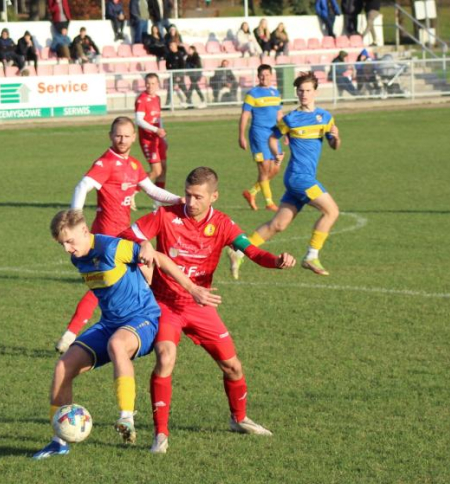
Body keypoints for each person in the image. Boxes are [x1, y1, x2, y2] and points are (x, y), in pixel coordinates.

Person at [119, 166, 297, 454]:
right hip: (166, 304)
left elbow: (253, 252)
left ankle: (238, 419)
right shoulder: (166, 215)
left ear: (214, 196)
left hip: (201, 305)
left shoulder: (224, 225)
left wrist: (276, 261)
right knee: (166, 357)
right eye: (188, 195)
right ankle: (160, 435)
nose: (190, 202)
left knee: (233, 366)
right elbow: (125, 234)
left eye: (198, 197)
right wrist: (143, 244)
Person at [34, 209, 219, 459]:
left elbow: (158, 257)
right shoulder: (78, 258)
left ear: (84, 231)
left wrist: (191, 288)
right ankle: (58, 442)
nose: (67, 248)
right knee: (62, 367)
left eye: (70, 241)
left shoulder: (111, 248)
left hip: (143, 319)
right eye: (62, 244)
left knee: (117, 344)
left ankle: (126, 417)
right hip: (110, 322)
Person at [56, 117, 183, 356]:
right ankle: (75, 333)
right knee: (107, 284)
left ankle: (143, 325)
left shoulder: (133, 165)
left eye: (126, 136)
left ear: (134, 137)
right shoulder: (106, 162)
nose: (122, 140)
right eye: (118, 135)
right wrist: (75, 220)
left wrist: (180, 200)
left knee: (133, 278)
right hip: (105, 236)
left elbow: (152, 191)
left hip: (124, 234)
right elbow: (81, 186)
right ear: (110, 136)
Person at [229, 72, 341, 278]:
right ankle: (311, 256)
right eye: (300, 91)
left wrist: (335, 137)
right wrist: (277, 153)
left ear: (315, 92)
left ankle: (238, 250)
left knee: (278, 225)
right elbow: (273, 137)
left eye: (307, 90)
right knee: (332, 211)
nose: (304, 94)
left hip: (298, 179)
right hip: (300, 178)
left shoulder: (325, 117)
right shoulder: (291, 118)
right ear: (297, 93)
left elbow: (334, 144)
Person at [238, 64, 284, 213]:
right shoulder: (253, 94)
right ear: (258, 77)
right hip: (258, 134)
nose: (264, 78)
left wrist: (286, 133)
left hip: (274, 135)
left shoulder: (275, 93)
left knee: (275, 168)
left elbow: (279, 116)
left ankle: (252, 193)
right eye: (262, 75)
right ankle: (269, 202)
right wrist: (241, 135)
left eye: (267, 75)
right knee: (264, 168)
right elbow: (245, 115)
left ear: (271, 76)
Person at [135, 74, 170, 207]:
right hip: (148, 140)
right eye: (148, 83)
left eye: (153, 83)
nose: (150, 86)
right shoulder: (141, 99)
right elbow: (138, 120)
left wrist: (163, 137)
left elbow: (159, 119)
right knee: (156, 171)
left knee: (164, 169)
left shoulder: (157, 98)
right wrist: (155, 130)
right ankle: (133, 191)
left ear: (158, 84)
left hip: (158, 139)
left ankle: (158, 202)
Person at [164, 41, 188, 107]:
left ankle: (189, 101)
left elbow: (182, 66)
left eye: (172, 46)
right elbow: (167, 64)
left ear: (175, 46)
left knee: (183, 87)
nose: (171, 47)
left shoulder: (179, 54)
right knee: (170, 89)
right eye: (170, 46)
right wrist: (169, 69)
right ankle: (167, 104)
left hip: (179, 75)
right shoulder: (169, 55)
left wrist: (179, 75)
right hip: (172, 75)